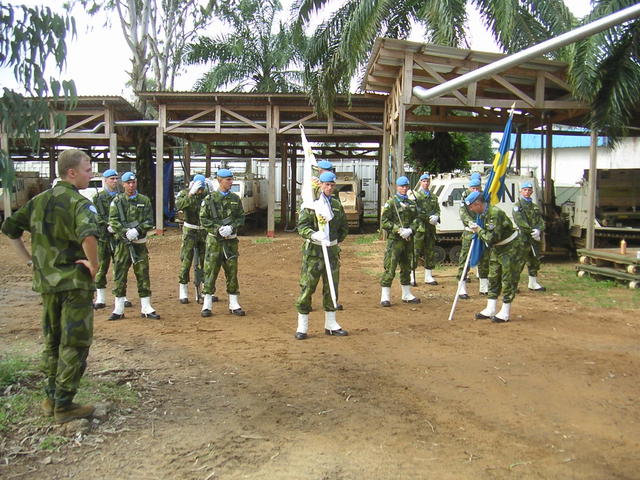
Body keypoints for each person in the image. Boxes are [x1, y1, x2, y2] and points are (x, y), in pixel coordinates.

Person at [1, 149, 99, 423]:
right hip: (73, 283)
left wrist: (31, 262)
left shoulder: (38, 202)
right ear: (72, 172)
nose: (90, 175)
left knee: (52, 341)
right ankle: (64, 404)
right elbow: (88, 235)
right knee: (75, 343)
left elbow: (10, 229)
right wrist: (94, 264)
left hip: (46, 283)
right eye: (88, 170)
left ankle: (50, 397)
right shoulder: (79, 203)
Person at [295, 171, 349, 339]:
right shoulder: (311, 204)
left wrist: (333, 241)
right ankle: (302, 326)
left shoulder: (336, 204)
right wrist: (313, 235)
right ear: (320, 185)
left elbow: (343, 228)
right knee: (308, 287)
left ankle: (331, 324)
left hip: (331, 252)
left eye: (332, 185)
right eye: (327, 185)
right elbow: (302, 227)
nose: (330, 188)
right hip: (314, 252)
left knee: (331, 287)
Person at [107, 171, 160, 320]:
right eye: (128, 183)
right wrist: (125, 232)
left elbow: (149, 220)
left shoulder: (144, 200)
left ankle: (146, 306)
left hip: (139, 244)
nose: (131, 185)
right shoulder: (117, 201)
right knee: (120, 274)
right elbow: (113, 221)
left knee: (143, 274)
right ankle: (118, 308)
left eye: (133, 182)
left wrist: (138, 230)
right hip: (123, 244)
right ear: (123, 184)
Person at [466, 191, 525, 323]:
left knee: (508, 279)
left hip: (510, 248)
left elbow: (492, 238)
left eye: (471, 206)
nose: (470, 209)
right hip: (497, 249)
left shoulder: (494, 214)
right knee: (493, 277)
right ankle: (491, 308)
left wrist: (478, 230)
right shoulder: (483, 214)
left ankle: (505, 311)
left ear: (478, 204)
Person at [199, 168, 246, 317]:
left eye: (232, 179)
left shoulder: (235, 199)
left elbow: (241, 218)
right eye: (228, 180)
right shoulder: (209, 199)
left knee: (232, 271)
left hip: (230, 242)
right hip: (215, 242)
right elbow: (204, 219)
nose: (231, 182)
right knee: (210, 271)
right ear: (220, 181)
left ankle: (234, 303)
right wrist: (217, 229)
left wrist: (231, 227)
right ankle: (207, 304)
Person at [92, 169, 132, 310]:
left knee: (120, 267)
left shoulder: (122, 197)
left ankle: (122, 295)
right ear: (105, 180)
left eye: (116, 179)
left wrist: (118, 227)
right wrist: (107, 225)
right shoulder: (98, 197)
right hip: (103, 237)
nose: (115, 181)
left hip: (118, 238)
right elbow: (96, 217)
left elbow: (127, 216)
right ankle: (101, 297)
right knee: (102, 267)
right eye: (112, 179)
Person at [379, 176, 420, 306]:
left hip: (408, 241)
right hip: (395, 241)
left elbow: (417, 220)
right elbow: (384, 222)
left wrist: (410, 230)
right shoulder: (391, 203)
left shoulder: (412, 204)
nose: (404, 188)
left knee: (407, 267)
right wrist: (398, 230)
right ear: (397, 187)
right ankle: (385, 296)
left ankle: (406, 294)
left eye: (406, 186)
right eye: (402, 186)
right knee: (390, 268)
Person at [176, 174, 209, 303]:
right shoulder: (184, 194)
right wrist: (191, 193)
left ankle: (207, 289)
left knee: (206, 261)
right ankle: (183, 290)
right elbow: (179, 205)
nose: (200, 190)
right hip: (190, 230)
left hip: (203, 231)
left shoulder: (206, 195)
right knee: (186, 261)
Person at [456, 174, 490, 299]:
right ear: (469, 188)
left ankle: (484, 286)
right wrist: (470, 222)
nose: (475, 190)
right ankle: (462, 287)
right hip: (470, 232)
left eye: (477, 188)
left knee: (484, 258)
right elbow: (463, 213)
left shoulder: (483, 197)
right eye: (473, 188)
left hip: (481, 231)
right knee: (465, 259)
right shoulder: (465, 198)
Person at [513, 181, 546, 291]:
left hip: (534, 238)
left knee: (534, 260)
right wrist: (532, 231)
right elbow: (520, 222)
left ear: (532, 191)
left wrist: (539, 230)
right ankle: (513, 284)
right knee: (520, 261)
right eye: (525, 190)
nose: (527, 192)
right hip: (523, 238)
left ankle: (533, 283)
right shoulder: (518, 206)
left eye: (529, 190)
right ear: (521, 191)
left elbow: (541, 221)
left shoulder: (534, 207)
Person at [412, 172, 441, 286]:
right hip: (419, 228)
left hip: (430, 228)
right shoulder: (416, 196)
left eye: (427, 181)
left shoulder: (433, 197)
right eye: (424, 181)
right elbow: (415, 211)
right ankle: (411, 276)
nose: (426, 183)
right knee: (415, 252)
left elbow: (438, 209)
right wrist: (427, 217)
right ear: (420, 182)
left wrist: (437, 217)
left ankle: (428, 276)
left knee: (430, 251)